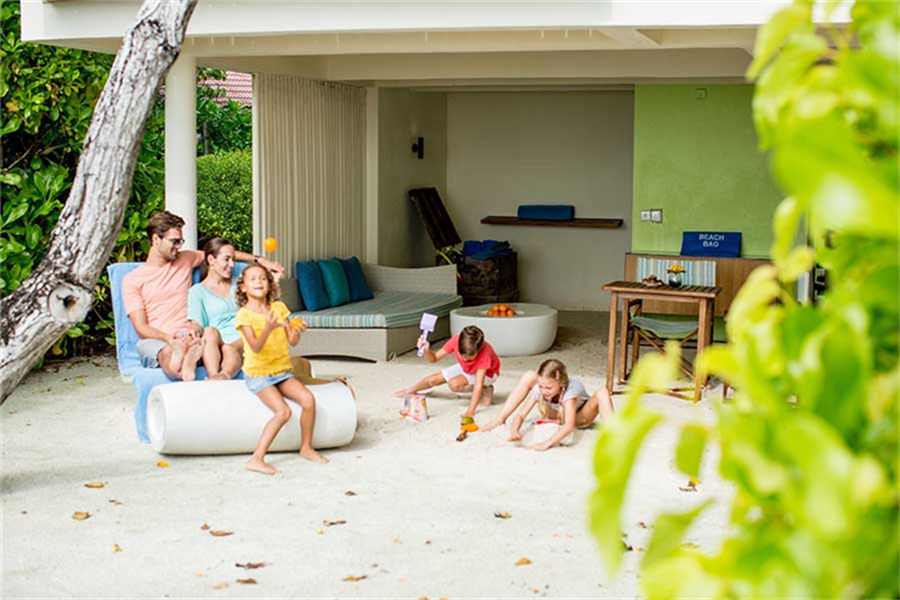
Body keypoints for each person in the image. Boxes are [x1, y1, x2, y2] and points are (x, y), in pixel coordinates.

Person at [122, 211, 283, 381]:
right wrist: (168, 339)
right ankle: (183, 363)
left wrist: (260, 260)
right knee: (167, 354)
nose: (179, 246)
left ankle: (189, 356)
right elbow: (141, 327)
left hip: (190, 335)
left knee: (198, 341)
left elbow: (221, 254)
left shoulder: (185, 259)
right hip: (158, 339)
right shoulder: (133, 279)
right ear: (156, 239)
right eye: (174, 241)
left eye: (181, 241)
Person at [235, 264, 327, 474]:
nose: (259, 282)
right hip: (259, 374)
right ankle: (256, 459)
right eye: (253, 279)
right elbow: (255, 347)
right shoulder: (244, 315)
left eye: (263, 278)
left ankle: (306, 447)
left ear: (269, 284)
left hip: (282, 371)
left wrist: (297, 330)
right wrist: (268, 328)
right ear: (243, 287)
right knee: (283, 412)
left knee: (308, 400)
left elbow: (292, 341)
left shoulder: (278, 308)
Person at [482, 358, 614, 451]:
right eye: (541, 387)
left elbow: (569, 426)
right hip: (554, 413)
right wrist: (514, 431)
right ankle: (500, 418)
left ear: (560, 382)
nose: (544, 391)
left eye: (548, 388)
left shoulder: (571, 391)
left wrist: (546, 443)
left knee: (603, 392)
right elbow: (521, 415)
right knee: (529, 376)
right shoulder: (541, 388)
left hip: (579, 417)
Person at [393, 325, 500, 418]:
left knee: (454, 384)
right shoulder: (455, 340)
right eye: (463, 356)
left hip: (489, 373)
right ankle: (410, 390)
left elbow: (478, 384)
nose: (465, 359)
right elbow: (434, 358)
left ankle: (486, 388)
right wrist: (426, 350)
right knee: (433, 380)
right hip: (467, 368)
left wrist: (470, 411)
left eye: (470, 357)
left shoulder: (485, 353)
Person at [187, 238, 243, 380]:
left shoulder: (241, 284)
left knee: (229, 348)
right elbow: (197, 322)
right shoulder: (197, 291)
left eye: (234, 259)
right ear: (211, 260)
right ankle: (213, 376)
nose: (232, 264)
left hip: (243, 338)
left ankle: (224, 376)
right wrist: (194, 330)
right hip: (217, 342)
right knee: (209, 331)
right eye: (227, 259)